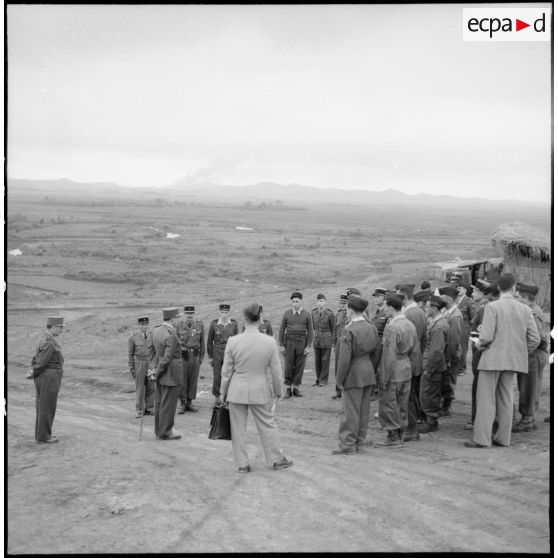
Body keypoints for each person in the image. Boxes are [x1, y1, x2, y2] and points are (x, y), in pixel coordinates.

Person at [465, 273, 540, 448]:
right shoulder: (525, 309)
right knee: (506, 399)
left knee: (485, 399)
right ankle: (503, 438)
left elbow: (486, 337)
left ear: (499, 287)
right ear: (514, 288)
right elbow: (535, 339)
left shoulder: (493, 307)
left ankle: (482, 439)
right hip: (511, 361)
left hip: (491, 359)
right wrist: (519, 352)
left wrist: (480, 345)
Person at [220, 302, 293, 473]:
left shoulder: (233, 341)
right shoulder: (269, 342)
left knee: (237, 429)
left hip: (236, 390)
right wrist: (278, 391)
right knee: (268, 424)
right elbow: (276, 371)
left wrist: (223, 393)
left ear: (243, 319)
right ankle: (277, 459)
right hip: (260, 389)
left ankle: (242, 464)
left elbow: (226, 371)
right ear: (260, 318)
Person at [333, 294, 379, 454]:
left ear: (351, 311)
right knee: (363, 410)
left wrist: (339, 380)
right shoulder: (371, 327)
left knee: (350, 412)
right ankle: (359, 442)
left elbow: (344, 360)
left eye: (347, 310)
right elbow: (376, 353)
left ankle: (347, 444)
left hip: (353, 374)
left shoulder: (349, 330)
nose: (345, 312)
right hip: (368, 372)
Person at [375, 294, 419, 447]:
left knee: (389, 403)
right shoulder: (409, 324)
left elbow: (388, 356)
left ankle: (392, 436)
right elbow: (415, 351)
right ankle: (400, 433)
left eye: (386, 307)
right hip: (406, 368)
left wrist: (383, 378)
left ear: (391, 308)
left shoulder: (392, 327)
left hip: (393, 370)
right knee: (402, 403)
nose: (384, 310)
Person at [512, 283, 549, 432]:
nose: (516, 300)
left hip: (533, 355)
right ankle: (529, 418)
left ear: (526, 298)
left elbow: (538, 339)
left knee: (528, 388)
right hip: (533, 354)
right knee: (529, 387)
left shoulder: (532, 312)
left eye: (518, 297)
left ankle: (527, 419)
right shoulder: (530, 310)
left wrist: (523, 353)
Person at [464, 281, 499, 430]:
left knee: (480, 388)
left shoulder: (486, 308)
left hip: (482, 352)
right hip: (479, 351)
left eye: (475, 292)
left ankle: (478, 420)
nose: (472, 294)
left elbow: (485, 334)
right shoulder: (482, 307)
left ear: (483, 294)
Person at [396, 284, 427, 442]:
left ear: (405, 297)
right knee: (412, 395)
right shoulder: (420, 312)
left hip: (409, 360)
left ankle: (411, 428)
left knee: (408, 397)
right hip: (416, 359)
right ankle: (411, 427)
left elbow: (408, 341)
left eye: (398, 296)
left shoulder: (409, 314)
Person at [30, 315, 67, 444]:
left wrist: (33, 371)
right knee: (47, 406)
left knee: (43, 405)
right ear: (55, 327)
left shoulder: (42, 337)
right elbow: (41, 363)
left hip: (45, 375)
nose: (61, 331)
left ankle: (42, 434)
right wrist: (34, 371)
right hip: (49, 376)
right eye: (60, 328)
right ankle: (44, 437)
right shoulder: (48, 341)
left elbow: (36, 359)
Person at [418, 296, 449, 434]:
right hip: (432, 365)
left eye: (428, 306)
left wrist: (429, 369)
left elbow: (436, 350)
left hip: (432, 367)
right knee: (427, 393)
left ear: (435, 308)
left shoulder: (439, 326)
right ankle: (429, 420)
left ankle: (431, 422)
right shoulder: (437, 323)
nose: (426, 308)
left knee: (429, 394)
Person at [152, 307, 183, 440]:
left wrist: (155, 371)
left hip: (162, 373)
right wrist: (157, 372)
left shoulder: (157, 330)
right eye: (177, 317)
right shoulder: (171, 335)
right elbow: (167, 359)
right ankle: (166, 432)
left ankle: (159, 430)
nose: (179, 320)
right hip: (171, 374)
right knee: (169, 405)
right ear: (172, 319)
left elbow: (157, 355)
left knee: (160, 403)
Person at [278, 291, 314, 398]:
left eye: (297, 301)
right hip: (289, 342)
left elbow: (311, 331)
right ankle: (288, 388)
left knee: (299, 365)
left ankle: (296, 388)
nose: (295, 303)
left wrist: (308, 346)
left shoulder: (307, 314)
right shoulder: (287, 313)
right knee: (289, 365)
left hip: (301, 342)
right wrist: (281, 345)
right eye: (293, 301)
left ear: (301, 302)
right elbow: (281, 329)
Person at [438, 285, 463, 416]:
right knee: (443, 380)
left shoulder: (455, 316)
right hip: (445, 353)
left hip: (450, 354)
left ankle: (446, 408)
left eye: (442, 297)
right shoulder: (447, 311)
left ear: (448, 298)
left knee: (448, 380)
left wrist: (448, 358)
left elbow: (453, 341)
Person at [207, 304, 238, 405]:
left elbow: (237, 340)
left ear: (229, 313)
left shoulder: (233, 324)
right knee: (217, 376)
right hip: (217, 353)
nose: (224, 314)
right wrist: (210, 357)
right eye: (222, 312)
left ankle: (227, 397)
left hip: (230, 353)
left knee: (229, 374)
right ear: (219, 313)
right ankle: (217, 397)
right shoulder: (214, 324)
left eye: (226, 312)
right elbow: (209, 341)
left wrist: (236, 355)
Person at [176, 305, 205, 413]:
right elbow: (176, 342)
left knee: (193, 380)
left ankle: (190, 402)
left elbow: (202, 342)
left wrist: (201, 356)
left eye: (191, 313)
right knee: (183, 380)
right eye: (187, 314)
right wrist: (179, 354)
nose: (189, 315)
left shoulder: (199, 325)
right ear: (184, 314)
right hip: (183, 356)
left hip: (195, 356)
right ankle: (182, 403)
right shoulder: (179, 326)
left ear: (194, 314)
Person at [128, 316, 156, 418]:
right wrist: (132, 368)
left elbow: (155, 350)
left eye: (146, 324)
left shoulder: (152, 336)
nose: (144, 326)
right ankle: (140, 409)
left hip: (150, 363)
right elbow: (130, 354)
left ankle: (150, 408)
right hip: (139, 364)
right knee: (140, 388)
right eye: (142, 325)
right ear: (139, 325)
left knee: (151, 386)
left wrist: (154, 365)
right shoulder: (133, 338)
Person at [311, 293, 336, 387]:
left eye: (321, 301)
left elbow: (333, 328)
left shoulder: (330, 313)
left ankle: (323, 380)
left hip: (326, 341)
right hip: (317, 340)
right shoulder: (313, 312)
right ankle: (318, 379)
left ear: (325, 302)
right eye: (318, 301)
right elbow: (313, 326)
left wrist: (333, 343)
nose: (319, 303)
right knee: (317, 361)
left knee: (325, 361)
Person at [331, 294, 349, 399]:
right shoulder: (338, 314)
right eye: (340, 303)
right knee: (337, 367)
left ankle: (345, 391)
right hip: (338, 344)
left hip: (347, 344)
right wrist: (333, 344)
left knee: (345, 366)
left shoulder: (351, 315)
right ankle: (338, 391)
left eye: (344, 303)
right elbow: (335, 330)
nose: (342, 305)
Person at [457, 284, 475, 376]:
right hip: (456, 324)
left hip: (464, 325)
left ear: (465, 290)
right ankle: (456, 366)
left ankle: (461, 368)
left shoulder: (468, 301)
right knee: (456, 345)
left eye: (460, 288)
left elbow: (472, 317)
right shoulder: (455, 300)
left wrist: (469, 329)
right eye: (458, 288)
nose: (458, 289)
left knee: (463, 347)